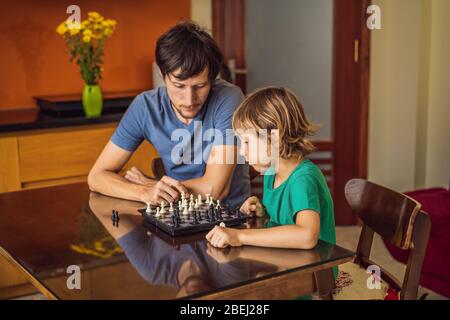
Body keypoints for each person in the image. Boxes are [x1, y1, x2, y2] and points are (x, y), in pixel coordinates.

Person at [88, 21, 250, 209]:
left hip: (229, 217)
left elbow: (215, 189)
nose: (189, 100)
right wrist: (144, 192)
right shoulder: (145, 106)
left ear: (213, 78)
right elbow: (96, 177)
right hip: (176, 213)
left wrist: (151, 184)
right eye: (179, 86)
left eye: (200, 86)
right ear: (161, 73)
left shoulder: (228, 97)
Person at [206, 87, 336, 250]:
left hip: (316, 272)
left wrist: (239, 236)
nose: (241, 151)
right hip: (289, 260)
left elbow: (307, 236)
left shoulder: (303, 179)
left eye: (246, 142)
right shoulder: (271, 173)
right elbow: (284, 222)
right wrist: (263, 211)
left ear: (276, 139)